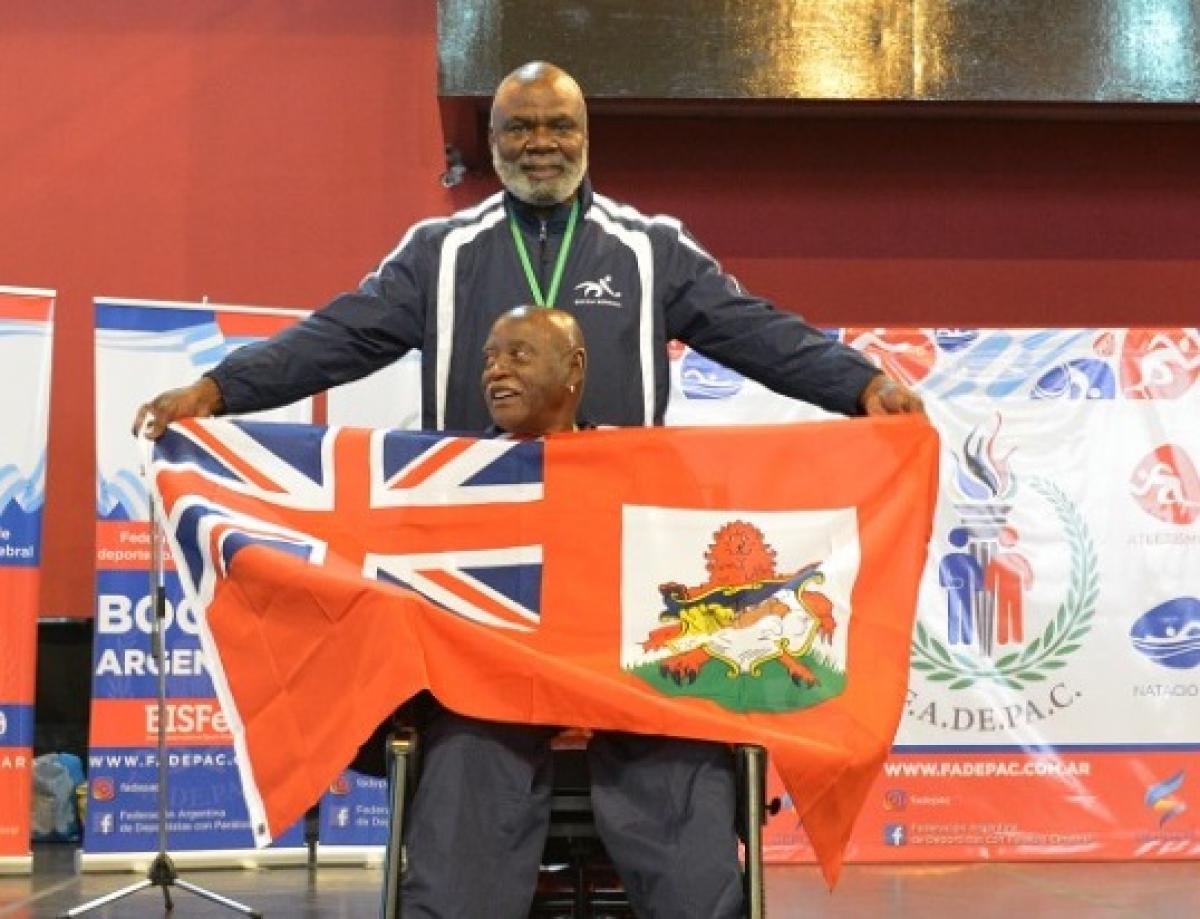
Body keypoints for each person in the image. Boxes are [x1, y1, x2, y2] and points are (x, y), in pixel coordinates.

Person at [132, 60, 925, 916]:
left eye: (560, 127)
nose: (542, 144)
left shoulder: (649, 247)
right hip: (479, 593)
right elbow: (339, 333)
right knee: (472, 758)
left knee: (673, 758)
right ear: (491, 141)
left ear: (588, 137)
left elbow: (751, 328)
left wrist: (856, 383)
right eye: (520, 128)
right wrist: (219, 390)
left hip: (618, 596)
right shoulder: (439, 254)